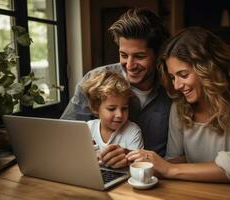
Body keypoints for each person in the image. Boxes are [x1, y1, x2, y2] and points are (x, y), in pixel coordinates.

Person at [126, 27, 230, 185]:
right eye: (172, 77)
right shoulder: (179, 107)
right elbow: (173, 161)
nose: (176, 85)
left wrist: (171, 169)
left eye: (183, 75)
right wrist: (143, 162)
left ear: (209, 69)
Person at [61, 8, 171, 168]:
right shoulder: (94, 80)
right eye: (124, 55)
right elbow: (65, 135)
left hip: (153, 179)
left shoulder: (173, 87)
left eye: (140, 56)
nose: (130, 65)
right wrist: (86, 151)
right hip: (100, 172)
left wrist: (130, 158)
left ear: (157, 55)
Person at [82, 70, 143, 153]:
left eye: (124, 108)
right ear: (95, 107)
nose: (120, 115)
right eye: (111, 109)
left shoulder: (132, 131)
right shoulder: (87, 129)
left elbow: (136, 162)